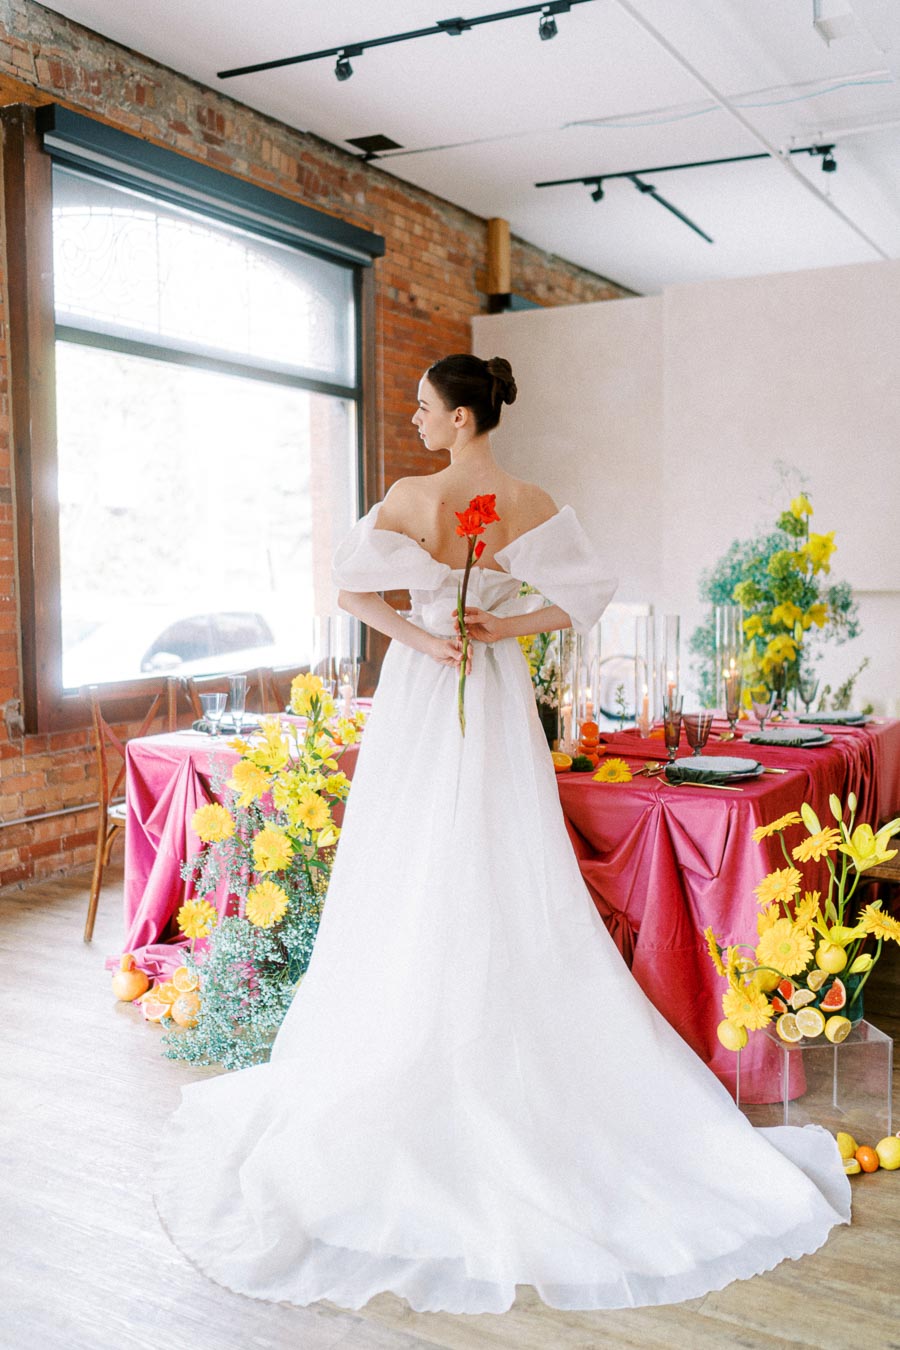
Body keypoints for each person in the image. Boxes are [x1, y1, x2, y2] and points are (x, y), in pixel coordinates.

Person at [153, 353, 850, 1316]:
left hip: (427, 683)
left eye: (427, 407)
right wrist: (499, 625)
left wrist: (424, 636)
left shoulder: (409, 495)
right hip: (484, 678)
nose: (416, 419)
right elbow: (584, 595)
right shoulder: (525, 499)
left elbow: (348, 591)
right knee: (477, 855)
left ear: (465, 417)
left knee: (432, 857)